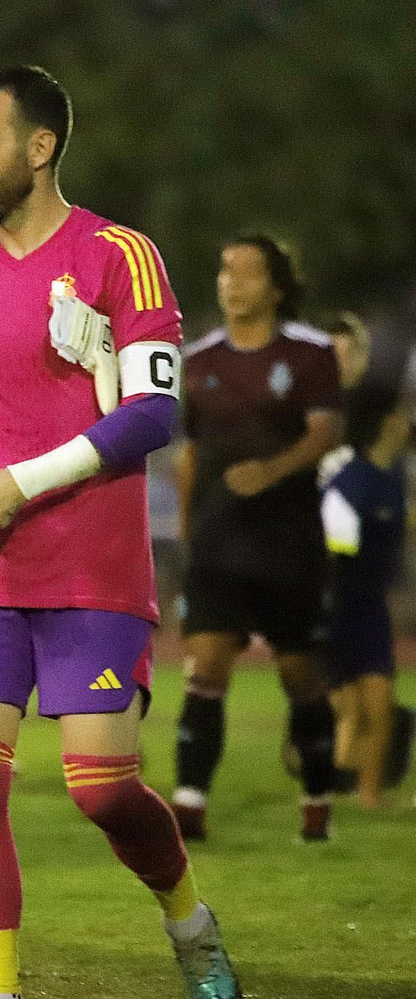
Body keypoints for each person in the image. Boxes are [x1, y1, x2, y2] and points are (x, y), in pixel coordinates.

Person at [0, 66, 237, 999]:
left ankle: (188, 919)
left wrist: (21, 483)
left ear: (40, 148)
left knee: (103, 790)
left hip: (92, 565)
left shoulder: (120, 254)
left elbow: (153, 411)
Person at [171, 234, 344, 843]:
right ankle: (189, 805)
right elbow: (189, 457)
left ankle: (317, 802)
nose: (231, 284)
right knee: (207, 665)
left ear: (275, 287)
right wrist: (189, 533)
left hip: (288, 543)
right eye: (224, 271)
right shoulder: (199, 360)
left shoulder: (311, 353)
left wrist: (269, 472)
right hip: (219, 544)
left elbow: (325, 432)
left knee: (300, 673)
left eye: (246, 274)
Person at [320, 383, 412, 807]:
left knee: (381, 709)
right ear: (380, 424)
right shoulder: (349, 482)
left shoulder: (393, 476)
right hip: (339, 607)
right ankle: (332, 787)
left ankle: (368, 796)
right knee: (350, 710)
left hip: (371, 608)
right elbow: (334, 553)